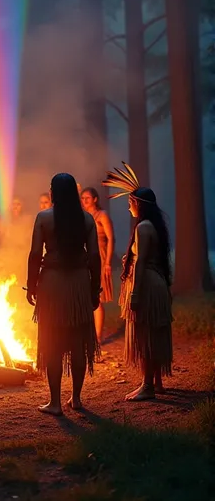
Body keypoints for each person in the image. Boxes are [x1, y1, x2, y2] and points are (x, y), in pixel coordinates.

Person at [27, 173, 101, 416]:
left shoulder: (43, 218)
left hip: (52, 283)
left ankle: (55, 403)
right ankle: (76, 399)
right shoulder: (87, 219)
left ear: (53, 193)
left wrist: (32, 284)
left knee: (53, 343)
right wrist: (94, 288)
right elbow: (94, 257)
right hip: (79, 282)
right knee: (78, 343)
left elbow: (35, 254)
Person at [102, 163, 173, 401]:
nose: (128, 206)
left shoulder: (143, 227)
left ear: (138, 204)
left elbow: (141, 262)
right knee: (154, 333)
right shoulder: (154, 226)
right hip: (157, 283)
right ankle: (158, 383)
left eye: (130, 202)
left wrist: (135, 295)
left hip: (147, 287)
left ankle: (147, 386)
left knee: (145, 335)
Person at [81, 187, 115, 343]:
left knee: (97, 297)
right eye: (82, 198)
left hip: (100, 259)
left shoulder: (102, 216)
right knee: (86, 297)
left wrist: (108, 262)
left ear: (95, 199)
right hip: (85, 259)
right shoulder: (83, 217)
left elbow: (111, 239)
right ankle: (88, 333)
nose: (84, 201)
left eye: (87, 198)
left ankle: (98, 336)